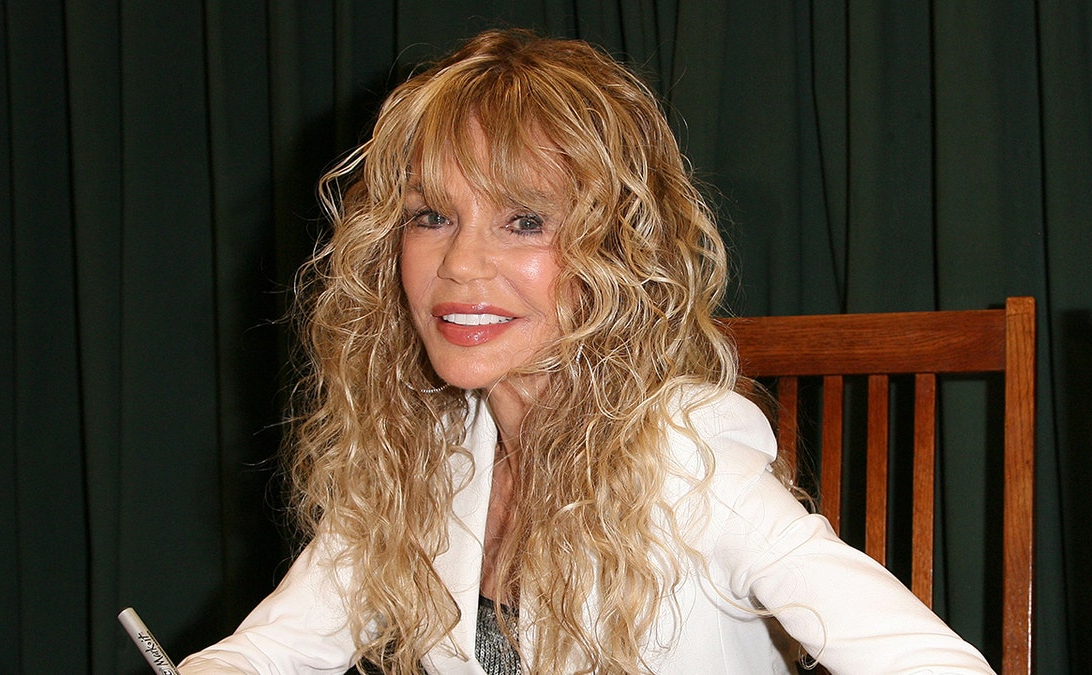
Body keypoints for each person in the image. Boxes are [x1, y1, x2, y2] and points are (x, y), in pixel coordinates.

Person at [178, 28, 994, 675]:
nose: (459, 264)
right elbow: (268, 651)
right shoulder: (425, 452)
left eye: (523, 220)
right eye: (430, 216)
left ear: (618, 252)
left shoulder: (686, 456)